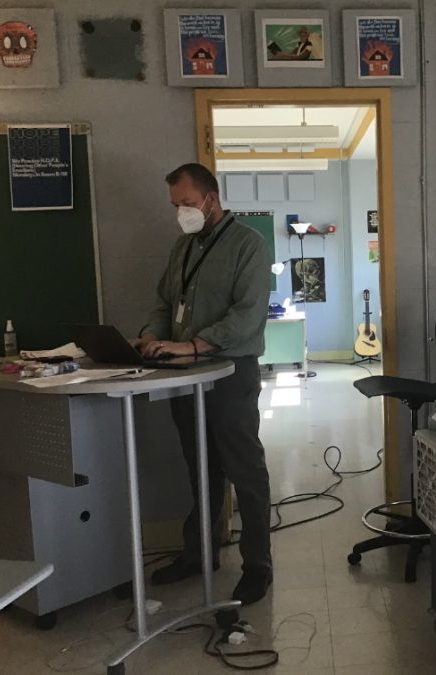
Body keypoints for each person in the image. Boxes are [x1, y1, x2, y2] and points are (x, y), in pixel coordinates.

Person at [132, 163, 273, 606]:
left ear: (211, 198)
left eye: (187, 204)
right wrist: (153, 337)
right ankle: (199, 553)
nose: (181, 213)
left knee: (245, 472)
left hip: (230, 374)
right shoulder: (183, 248)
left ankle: (258, 565)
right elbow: (164, 301)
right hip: (185, 377)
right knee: (201, 469)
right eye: (176, 206)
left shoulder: (249, 245)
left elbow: (247, 316)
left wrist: (194, 345)